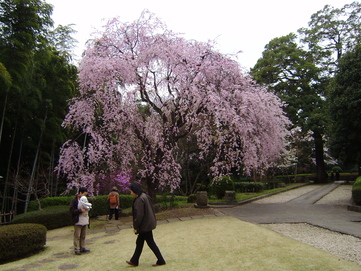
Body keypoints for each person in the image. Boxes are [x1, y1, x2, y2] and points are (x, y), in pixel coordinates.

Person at [126, 182, 166, 267]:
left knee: (150, 242)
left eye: (131, 191)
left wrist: (136, 227)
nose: (130, 193)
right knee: (140, 242)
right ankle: (134, 260)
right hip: (148, 223)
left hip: (145, 225)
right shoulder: (145, 196)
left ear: (135, 191)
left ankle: (161, 260)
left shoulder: (139, 200)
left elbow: (139, 215)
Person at [70, 187, 91, 255]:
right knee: (77, 236)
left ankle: (83, 247)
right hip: (78, 220)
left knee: (83, 235)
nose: (85, 195)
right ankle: (77, 249)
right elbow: (72, 210)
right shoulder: (74, 200)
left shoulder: (85, 199)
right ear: (80, 193)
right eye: (84, 194)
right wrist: (80, 210)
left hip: (84, 219)